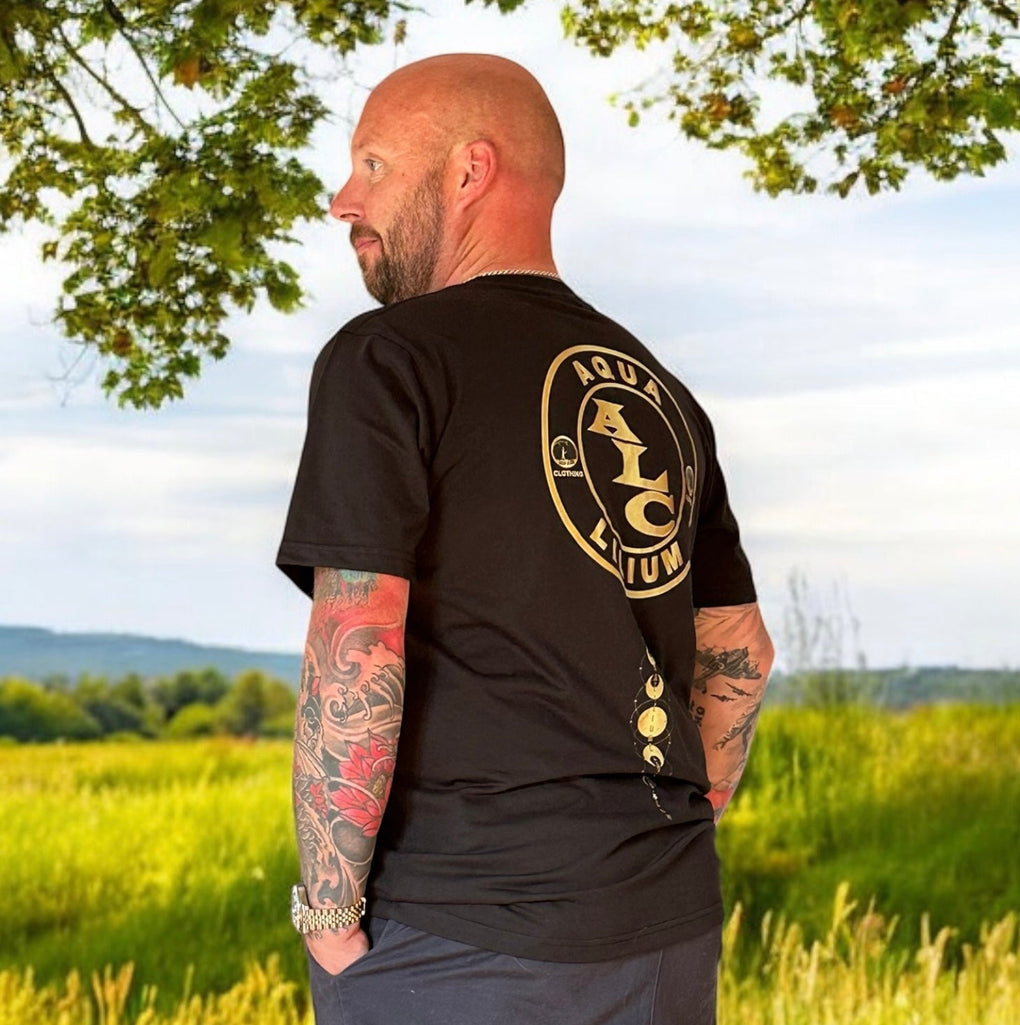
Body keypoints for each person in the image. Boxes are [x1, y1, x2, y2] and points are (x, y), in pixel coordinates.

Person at [277, 52, 774, 1025]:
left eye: (371, 164)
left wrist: (330, 911)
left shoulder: (387, 359)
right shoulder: (657, 388)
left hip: (464, 938)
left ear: (469, 171)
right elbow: (738, 649)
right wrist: (668, 828)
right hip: (664, 921)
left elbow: (358, 639)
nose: (343, 199)